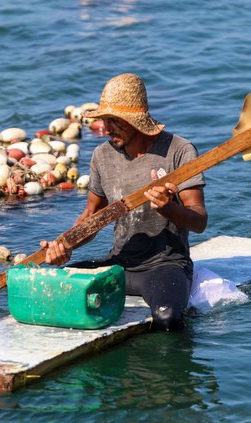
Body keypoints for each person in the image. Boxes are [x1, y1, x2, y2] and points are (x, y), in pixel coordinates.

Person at [40, 73, 208, 331]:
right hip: (119, 266)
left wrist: (168, 208)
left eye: (114, 122)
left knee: (167, 319)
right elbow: (91, 217)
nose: (105, 129)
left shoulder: (179, 150)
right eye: (104, 121)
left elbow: (199, 220)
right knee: (50, 286)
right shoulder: (102, 156)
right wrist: (64, 244)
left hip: (164, 266)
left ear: (136, 120)